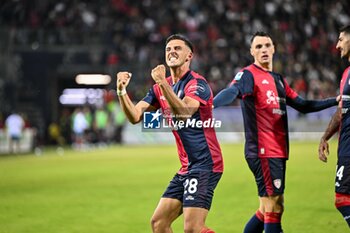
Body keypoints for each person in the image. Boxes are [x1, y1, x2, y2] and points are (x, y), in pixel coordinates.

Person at [213, 31, 338, 233]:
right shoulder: (248, 75)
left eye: (267, 45)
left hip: (278, 151)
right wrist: (210, 104)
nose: (263, 50)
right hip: (262, 150)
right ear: (252, 51)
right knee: (272, 206)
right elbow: (232, 92)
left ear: (274, 49)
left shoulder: (278, 79)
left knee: (272, 205)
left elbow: (303, 105)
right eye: (259, 46)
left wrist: (335, 100)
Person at [116, 34, 223, 233]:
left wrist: (162, 83)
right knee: (159, 223)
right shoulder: (159, 88)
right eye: (168, 49)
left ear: (189, 56)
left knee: (193, 229)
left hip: (206, 163)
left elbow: (184, 114)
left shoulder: (197, 84)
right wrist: (121, 92)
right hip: (186, 167)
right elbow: (135, 116)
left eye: (177, 48)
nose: (171, 51)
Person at [318, 24, 350, 227]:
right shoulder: (346, 73)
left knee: (342, 199)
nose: (337, 45)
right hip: (345, 145)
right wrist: (325, 137)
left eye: (341, 39)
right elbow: (341, 110)